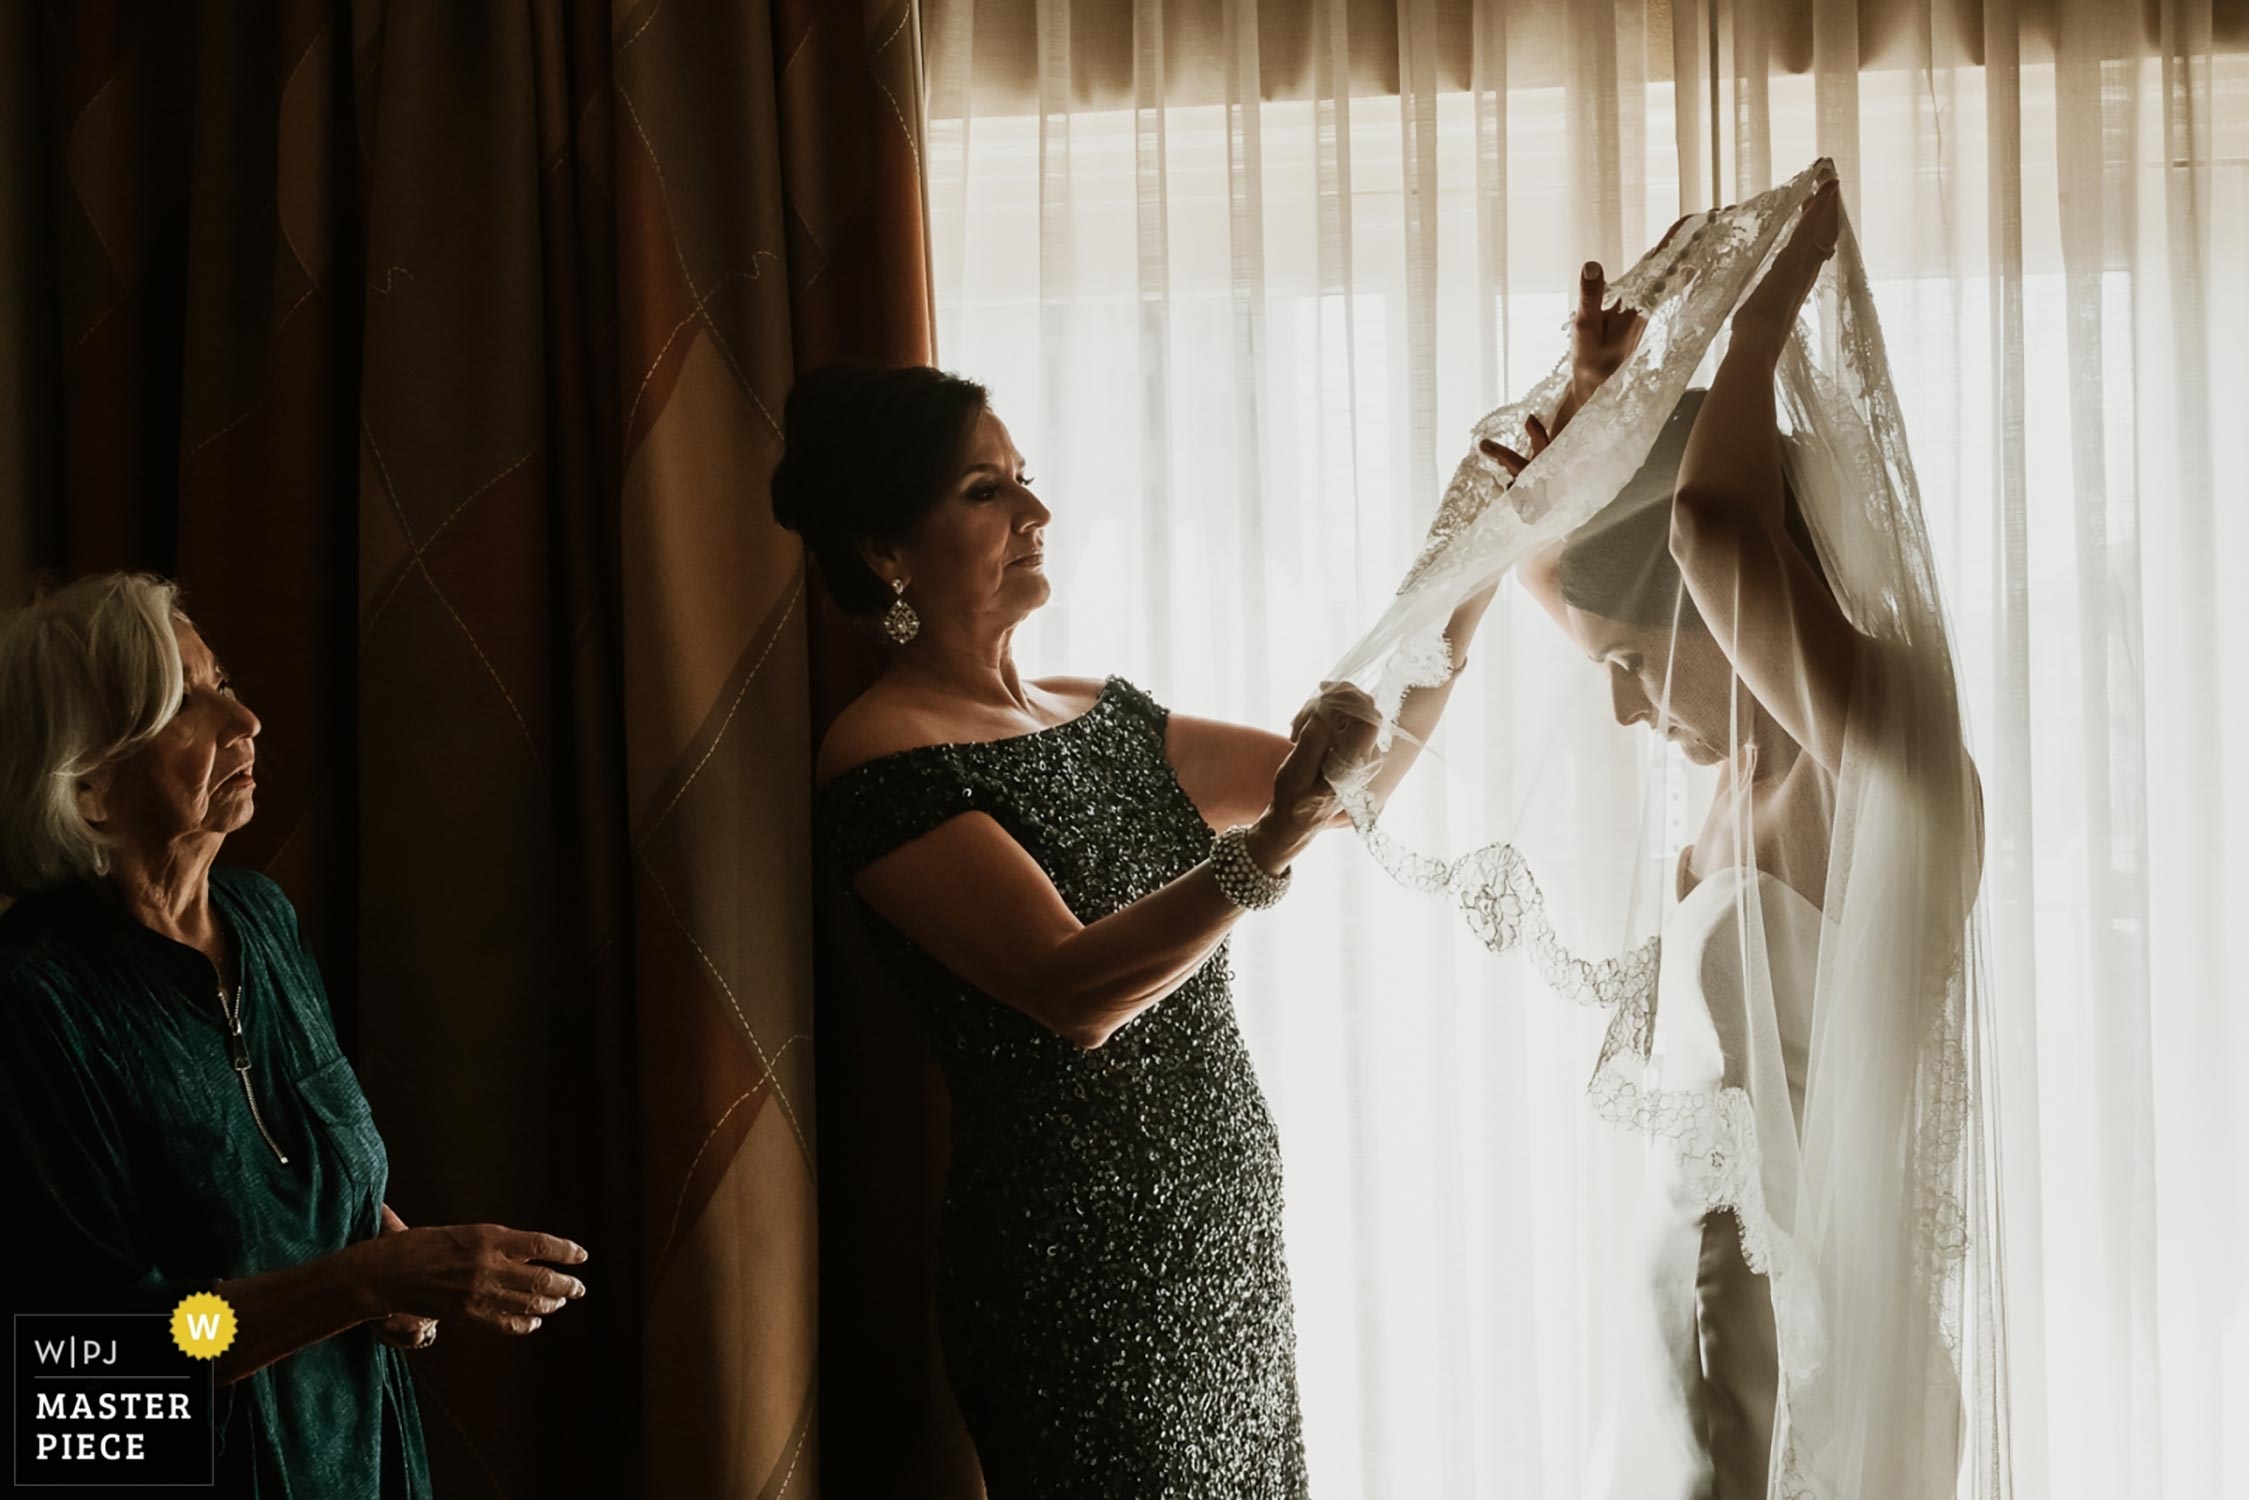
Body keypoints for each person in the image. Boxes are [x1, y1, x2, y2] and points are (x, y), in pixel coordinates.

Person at [775, 363, 1486, 1497]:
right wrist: (1270, 841)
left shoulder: (1099, 714)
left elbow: (1367, 777)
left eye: (1024, 480)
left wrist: (1487, 523)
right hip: (1081, 1275)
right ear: (882, 549)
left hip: (1225, 1233)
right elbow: (1071, 992)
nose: (1032, 514)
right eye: (981, 491)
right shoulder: (883, 755)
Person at [1486, 178, 1974, 1496]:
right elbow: (1542, 559)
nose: (1622, 706)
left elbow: (1701, 526)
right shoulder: (1734, 771)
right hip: (1693, 1295)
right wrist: (1604, 407)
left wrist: (1756, 312)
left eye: (1637, 660)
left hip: (1811, 1311)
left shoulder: (1878, 748)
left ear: (1714, 610)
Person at [0, 573, 590, 1499]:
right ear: (88, 787)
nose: (246, 719)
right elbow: (97, 1369)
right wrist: (364, 1278)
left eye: (222, 681)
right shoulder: (36, 1003)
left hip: (361, 1455)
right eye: (184, 705)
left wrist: (390, 1262)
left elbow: (279, 1177)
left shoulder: (260, 920)